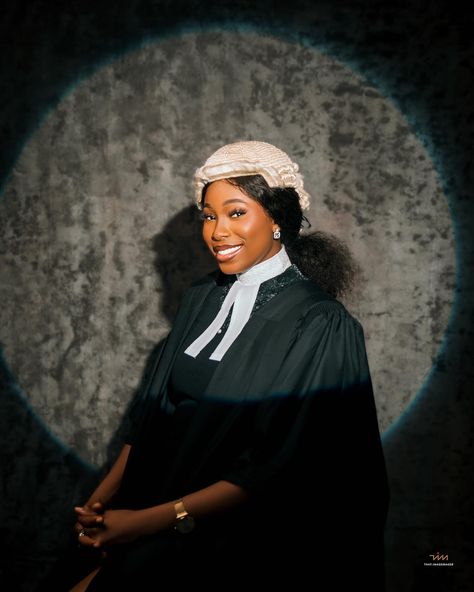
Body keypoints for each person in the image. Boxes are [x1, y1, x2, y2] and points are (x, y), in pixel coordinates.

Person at [38, 140, 389, 591]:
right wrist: (101, 501)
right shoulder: (202, 297)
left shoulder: (320, 325)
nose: (217, 232)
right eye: (209, 216)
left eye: (236, 212)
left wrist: (144, 524)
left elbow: (277, 470)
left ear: (278, 218)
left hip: (248, 537)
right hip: (162, 507)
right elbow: (154, 413)